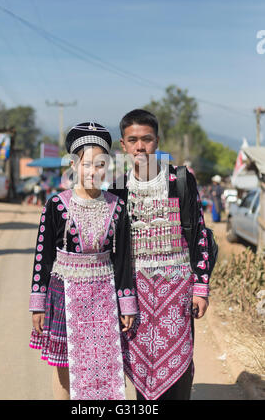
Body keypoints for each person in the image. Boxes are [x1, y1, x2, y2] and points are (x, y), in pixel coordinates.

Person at [29, 122, 137, 400]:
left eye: (100, 165)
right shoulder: (56, 205)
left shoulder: (117, 206)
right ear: (74, 165)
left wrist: (127, 303)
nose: (93, 172)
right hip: (63, 294)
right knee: (65, 364)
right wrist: (37, 305)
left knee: (106, 364)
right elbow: (43, 257)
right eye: (87, 164)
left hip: (104, 297)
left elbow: (123, 259)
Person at [110, 109, 211, 400]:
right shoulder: (118, 187)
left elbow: (200, 233)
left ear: (157, 140)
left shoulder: (180, 179)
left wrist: (200, 288)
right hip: (136, 293)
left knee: (180, 366)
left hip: (178, 292)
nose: (140, 146)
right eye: (133, 140)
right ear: (123, 145)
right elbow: (115, 248)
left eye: (147, 139)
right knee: (142, 369)